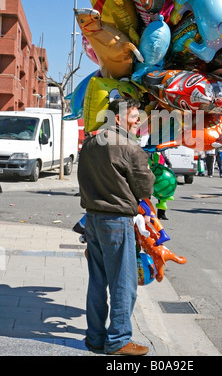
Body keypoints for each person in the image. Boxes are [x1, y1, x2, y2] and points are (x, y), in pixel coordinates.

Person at [77, 98, 155, 356]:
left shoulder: (89, 144)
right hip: (116, 221)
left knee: (97, 281)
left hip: (93, 218)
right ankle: (119, 340)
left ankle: (95, 338)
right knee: (124, 282)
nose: (138, 122)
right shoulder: (130, 148)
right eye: (134, 117)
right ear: (118, 119)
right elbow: (145, 189)